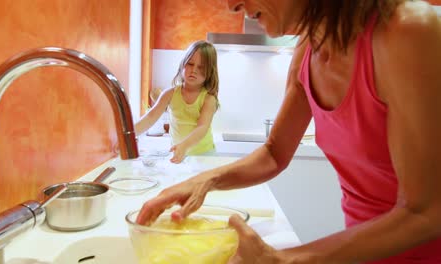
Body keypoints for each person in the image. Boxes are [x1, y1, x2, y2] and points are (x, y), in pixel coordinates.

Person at [136, 0, 441, 263]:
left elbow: (426, 212)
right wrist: (203, 181)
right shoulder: (308, 48)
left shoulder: (408, 31)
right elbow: (274, 153)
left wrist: (287, 260)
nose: (232, 5)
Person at [135, 40, 219, 163]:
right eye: (190, 64)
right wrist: (128, 136)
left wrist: (184, 145)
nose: (194, 70)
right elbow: (150, 117)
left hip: (205, 155)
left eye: (201, 67)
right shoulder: (170, 94)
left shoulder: (208, 98)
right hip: (179, 153)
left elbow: (202, 127)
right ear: (182, 65)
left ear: (210, 72)